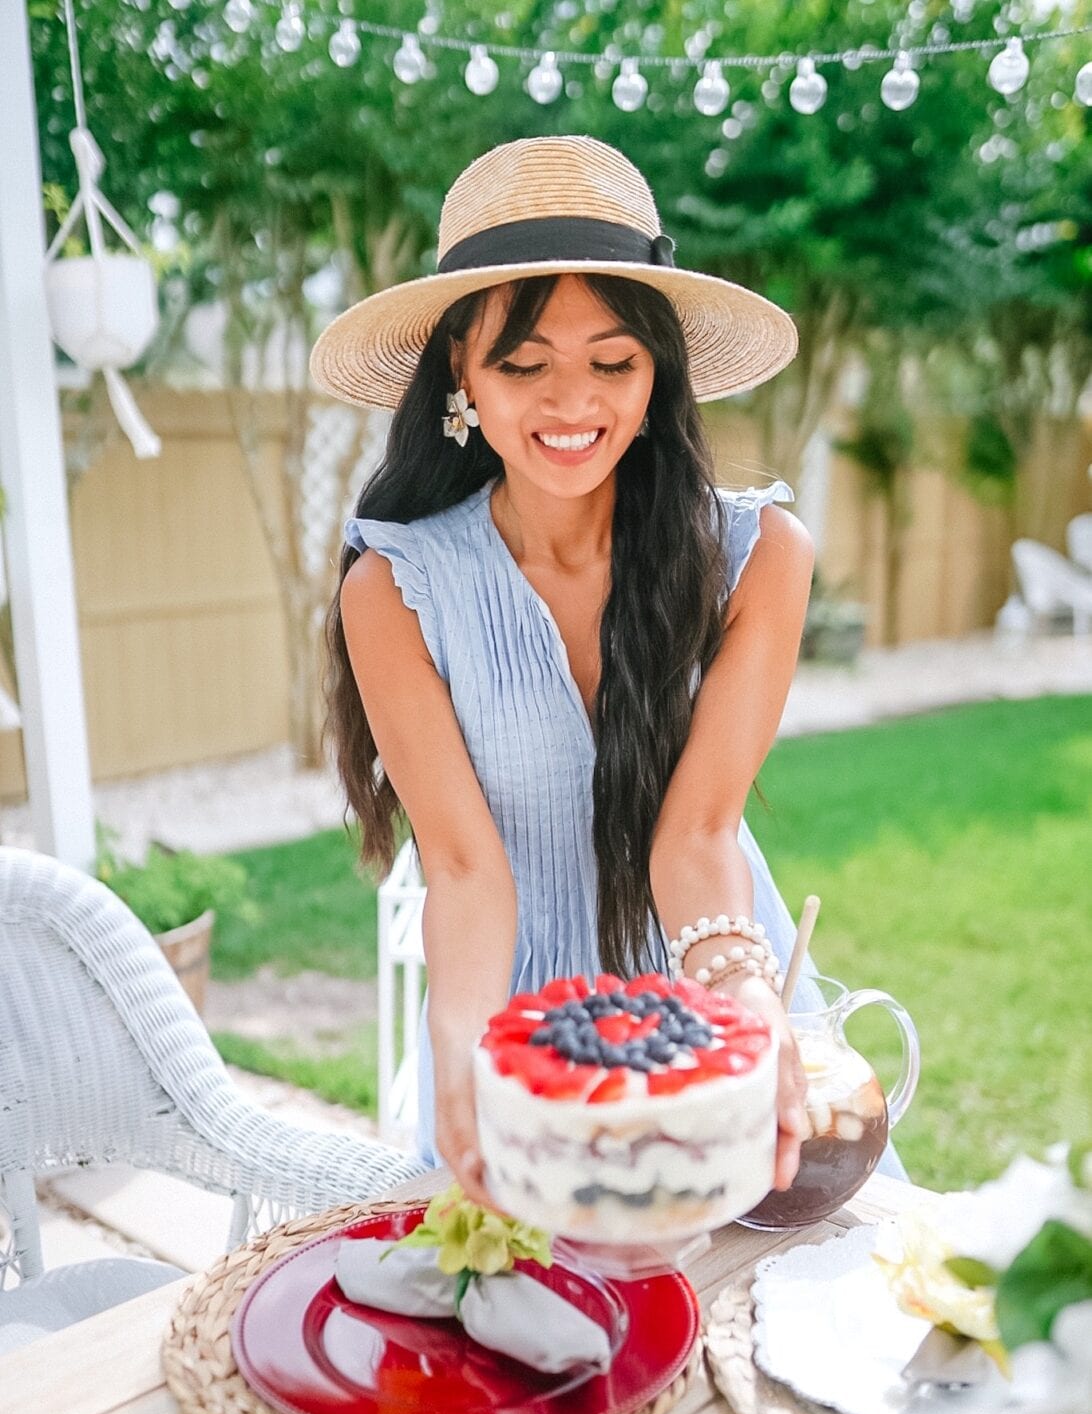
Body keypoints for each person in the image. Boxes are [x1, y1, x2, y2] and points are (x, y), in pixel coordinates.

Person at [315, 135, 899, 1204]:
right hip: (517, 1016)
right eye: (523, 363)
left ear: (657, 368)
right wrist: (463, 1054)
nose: (570, 404)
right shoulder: (392, 588)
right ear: (461, 370)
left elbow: (699, 833)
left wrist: (744, 1007)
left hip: (713, 984)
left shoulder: (759, 559)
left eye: (612, 362)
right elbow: (463, 870)